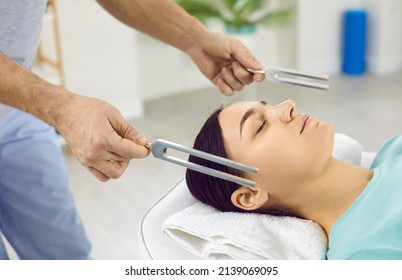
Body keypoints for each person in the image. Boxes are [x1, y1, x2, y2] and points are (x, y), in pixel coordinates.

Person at [0, 0, 264, 259]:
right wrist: (61, 108)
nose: (288, 107)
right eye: (260, 126)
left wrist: (195, 38)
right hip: (25, 100)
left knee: (65, 253)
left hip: (15, 114)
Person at [186, 99, 402, 260]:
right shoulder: (364, 252)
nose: (288, 105)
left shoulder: (394, 148)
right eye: (260, 126)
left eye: (269, 105)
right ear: (250, 195)